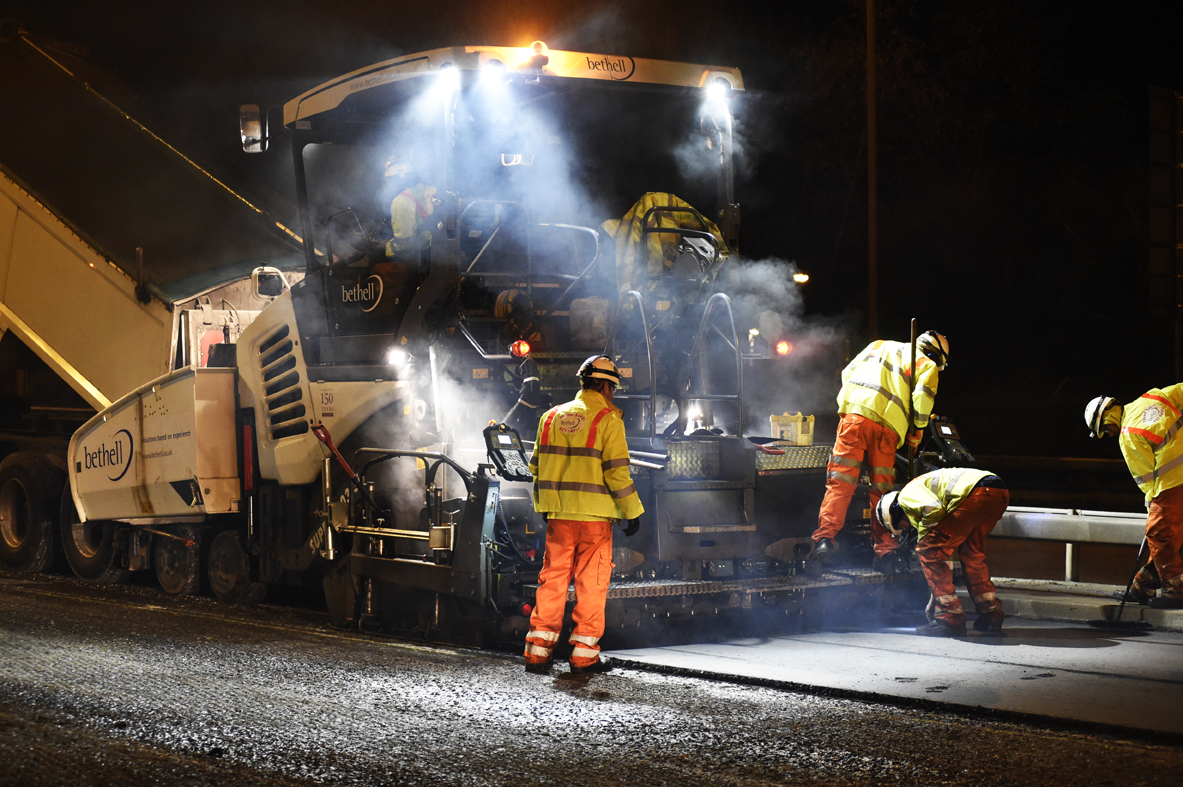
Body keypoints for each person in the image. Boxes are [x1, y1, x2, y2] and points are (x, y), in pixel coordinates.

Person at [523, 355, 644, 674]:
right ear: (605, 386)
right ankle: (583, 655)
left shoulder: (550, 417)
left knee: (553, 579)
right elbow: (617, 473)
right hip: (594, 519)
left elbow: (535, 467)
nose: (613, 394)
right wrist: (632, 511)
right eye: (613, 388)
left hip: (559, 516)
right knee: (591, 583)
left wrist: (547, 506)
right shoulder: (608, 419)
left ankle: (538, 652)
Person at [807, 331, 950, 574]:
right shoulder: (926, 365)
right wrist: (917, 430)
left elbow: (847, 373)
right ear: (936, 356)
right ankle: (886, 552)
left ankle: (824, 541)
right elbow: (922, 399)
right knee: (882, 493)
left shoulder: (878, 345)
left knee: (840, 484)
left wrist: (854, 405)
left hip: (853, 419)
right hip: (887, 429)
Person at [876, 467, 1009, 636]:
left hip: (976, 493)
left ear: (894, 514)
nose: (906, 528)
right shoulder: (922, 489)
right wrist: (935, 596)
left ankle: (950, 618)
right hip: (997, 492)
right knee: (971, 556)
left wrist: (924, 539)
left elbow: (933, 510)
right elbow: (944, 554)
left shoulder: (905, 497)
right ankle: (991, 616)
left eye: (901, 526)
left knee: (928, 551)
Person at [1085, 388, 1183, 609]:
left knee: (1159, 534)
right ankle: (1143, 585)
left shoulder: (1128, 434)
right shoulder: (1153, 397)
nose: (1110, 434)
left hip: (1171, 483)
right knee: (1172, 535)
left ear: (1108, 417)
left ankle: (1176, 591)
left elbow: (1146, 478)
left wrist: (1152, 503)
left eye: (1105, 429)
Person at [383, 156, 438, 261]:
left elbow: (405, 244)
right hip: (443, 250)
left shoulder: (401, 200)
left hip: (424, 258)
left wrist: (388, 246)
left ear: (396, 179)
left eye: (389, 180)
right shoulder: (434, 190)